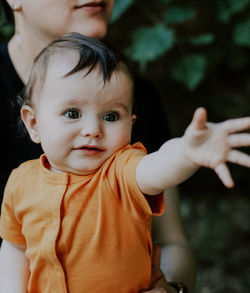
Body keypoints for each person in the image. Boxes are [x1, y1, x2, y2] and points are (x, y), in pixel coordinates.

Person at [1, 33, 250, 293]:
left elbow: (157, 168)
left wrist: (186, 152)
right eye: (72, 113)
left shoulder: (121, 171)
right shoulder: (20, 182)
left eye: (111, 116)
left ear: (131, 124)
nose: (93, 129)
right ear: (34, 123)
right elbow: (15, 247)